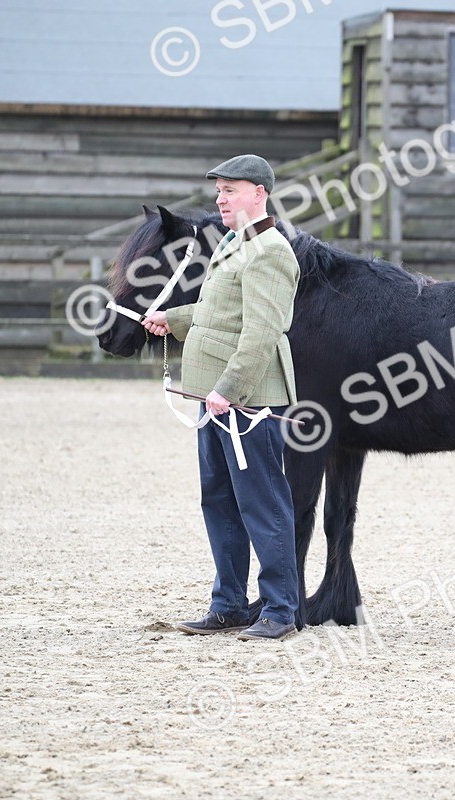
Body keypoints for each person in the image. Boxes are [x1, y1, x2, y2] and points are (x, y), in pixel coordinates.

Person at [142, 154, 300, 641]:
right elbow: (219, 310)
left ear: (259, 193)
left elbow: (261, 333)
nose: (220, 199)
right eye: (219, 191)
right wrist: (175, 318)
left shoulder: (270, 251)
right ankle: (228, 605)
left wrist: (227, 391)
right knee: (220, 502)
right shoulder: (235, 243)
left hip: (246, 400)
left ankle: (280, 611)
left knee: (262, 504)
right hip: (216, 397)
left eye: (230, 190)